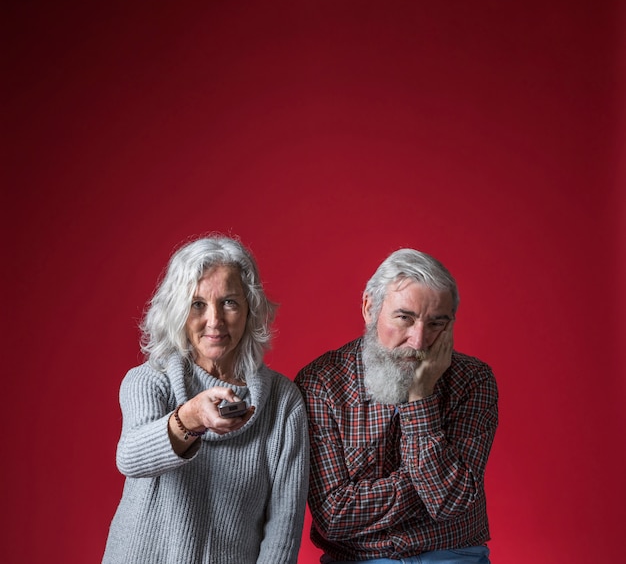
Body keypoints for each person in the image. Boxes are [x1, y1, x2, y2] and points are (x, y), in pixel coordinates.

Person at [103, 235, 309, 564]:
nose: (214, 320)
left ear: (249, 309)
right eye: (198, 304)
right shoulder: (149, 380)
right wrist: (192, 417)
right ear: (179, 311)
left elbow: (283, 527)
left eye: (229, 302)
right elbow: (132, 457)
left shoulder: (283, 403)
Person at [295, 249, 498, 564]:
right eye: (405, 318)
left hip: (452, 555)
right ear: (369, 308)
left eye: (436, 324)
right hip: (359, 560)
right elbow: (334, 515)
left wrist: (420, 395)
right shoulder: (321, 383)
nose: (419, 341)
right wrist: (427, 483)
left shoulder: (473, 379)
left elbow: (449, 502)